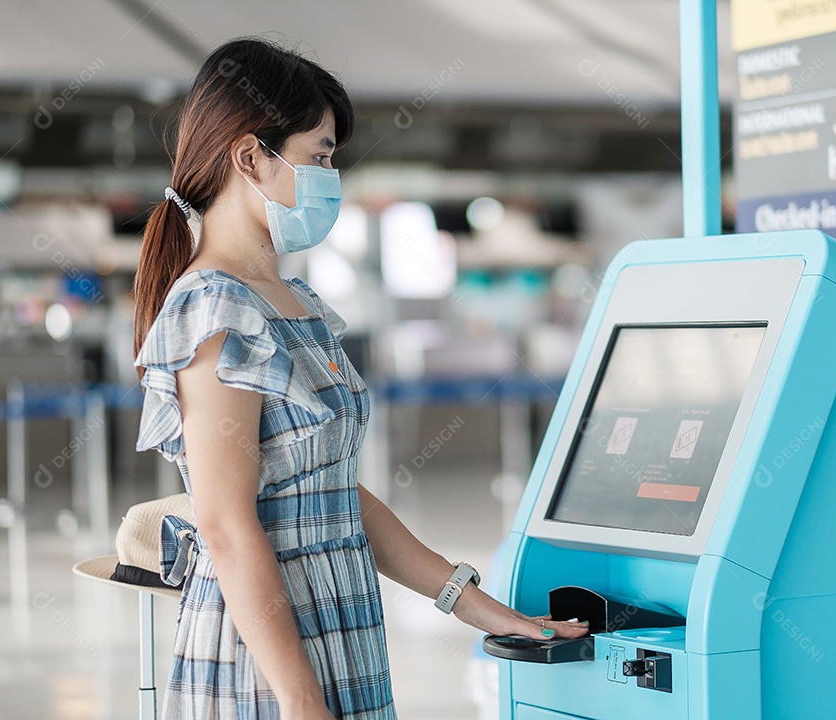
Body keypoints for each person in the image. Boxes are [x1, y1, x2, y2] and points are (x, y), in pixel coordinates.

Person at [133, 37, 587, 720]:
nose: (328, 177)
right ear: (252, 156)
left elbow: (338, 497)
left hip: (339, 624)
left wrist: (486, 610)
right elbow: (227, 525)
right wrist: (299, 697)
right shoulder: (213, 306)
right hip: (267, 658)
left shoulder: (297, 303)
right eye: (318, 156)